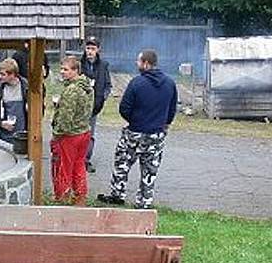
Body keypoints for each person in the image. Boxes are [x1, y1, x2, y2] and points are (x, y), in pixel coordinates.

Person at [98, 49, 177, 210]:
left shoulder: (136, 83)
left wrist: (135, 121)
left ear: (146, 64)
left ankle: (117, 194)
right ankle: (144, 202)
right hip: (156, 134)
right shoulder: (170, 83)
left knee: (122, 163)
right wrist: (164, 123)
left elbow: (124, 108)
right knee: (150, 169)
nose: (137, 64)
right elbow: (172, 109)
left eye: (139, 61)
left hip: (134, 132)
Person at [51, 56, 93, 205]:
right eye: (61, 68)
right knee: (79, 165)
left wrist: (57, 135)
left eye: (66, 69)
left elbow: (65, 119)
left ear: (75, 71)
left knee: (63, 167)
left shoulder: (71, 91)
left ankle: (62, 198)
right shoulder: (87, 86)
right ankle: (80, 196)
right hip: (84, 132)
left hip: (70, 136)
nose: (62, 72)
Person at [80, 36, 112, 173]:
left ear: (98, 50)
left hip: (95, 107)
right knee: (78, 133)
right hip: (80, 107)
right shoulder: (79, 64)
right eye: (88, 48)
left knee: (90, 135)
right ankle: (77, 160)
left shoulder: (104, 65)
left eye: (93, 48)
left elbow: (108, 85)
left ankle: (86, 160)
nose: (90, 51)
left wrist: (103, 97)